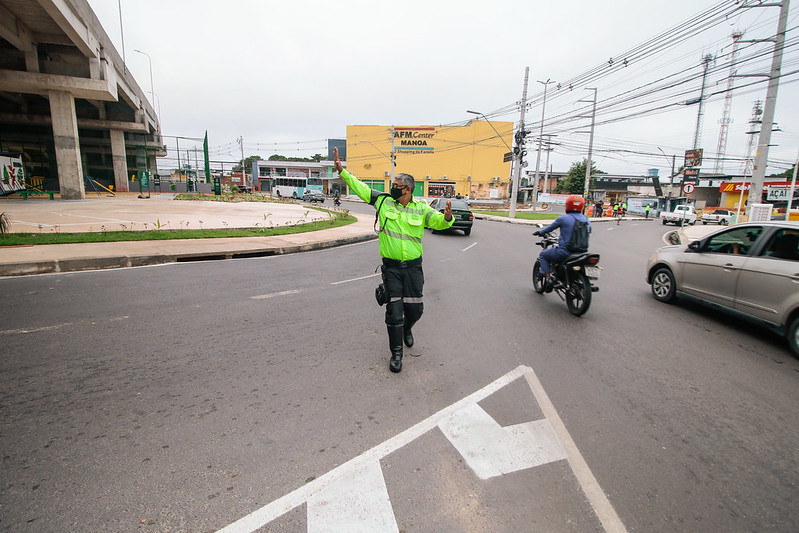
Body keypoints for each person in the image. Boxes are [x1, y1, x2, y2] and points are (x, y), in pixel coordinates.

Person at [333, 147, 453, 373]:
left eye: (396, 185)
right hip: (392, 269)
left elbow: (438, 221)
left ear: (407, 189)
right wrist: (343, 172)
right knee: (394, 312)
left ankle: (408, 328)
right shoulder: (384, 202)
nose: (392, 188)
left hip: (414, 269)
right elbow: (362, 189)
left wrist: (447, 217)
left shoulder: (421, 209)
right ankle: (396, 354)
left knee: (415, 310)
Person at [533, 195, 592, 293]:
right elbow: (589, 231)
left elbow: (549, 228)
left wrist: (540, 232)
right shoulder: (586, 219)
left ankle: (549, 279)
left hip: (565, 252)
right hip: (582, 253)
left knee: (543, 255)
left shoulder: (563, 218)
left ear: (567, 206)